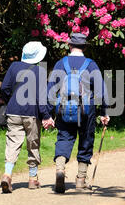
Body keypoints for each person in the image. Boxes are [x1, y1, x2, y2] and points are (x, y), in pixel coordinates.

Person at [46, 33, 109, 193]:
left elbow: (50, 90)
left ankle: (60, 169)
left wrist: (47, 113)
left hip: (63, 110)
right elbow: (102, 90)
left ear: (69, 45)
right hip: (86, 111)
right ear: (85, 47)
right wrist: (104, 112)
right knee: (86, 139)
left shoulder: (61, 64)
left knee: (64, 138)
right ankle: (81, 179)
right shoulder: (91, 64)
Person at [0, 41, 54, 193]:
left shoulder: (13, 66)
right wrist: (46, 116)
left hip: (13, 111)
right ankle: (32, 179)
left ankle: (7, 174)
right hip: (32, 113)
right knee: (33, 144)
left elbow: (5, 88)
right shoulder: (40, 72)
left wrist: (10, 101)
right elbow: (41, 98)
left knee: (12, 143)